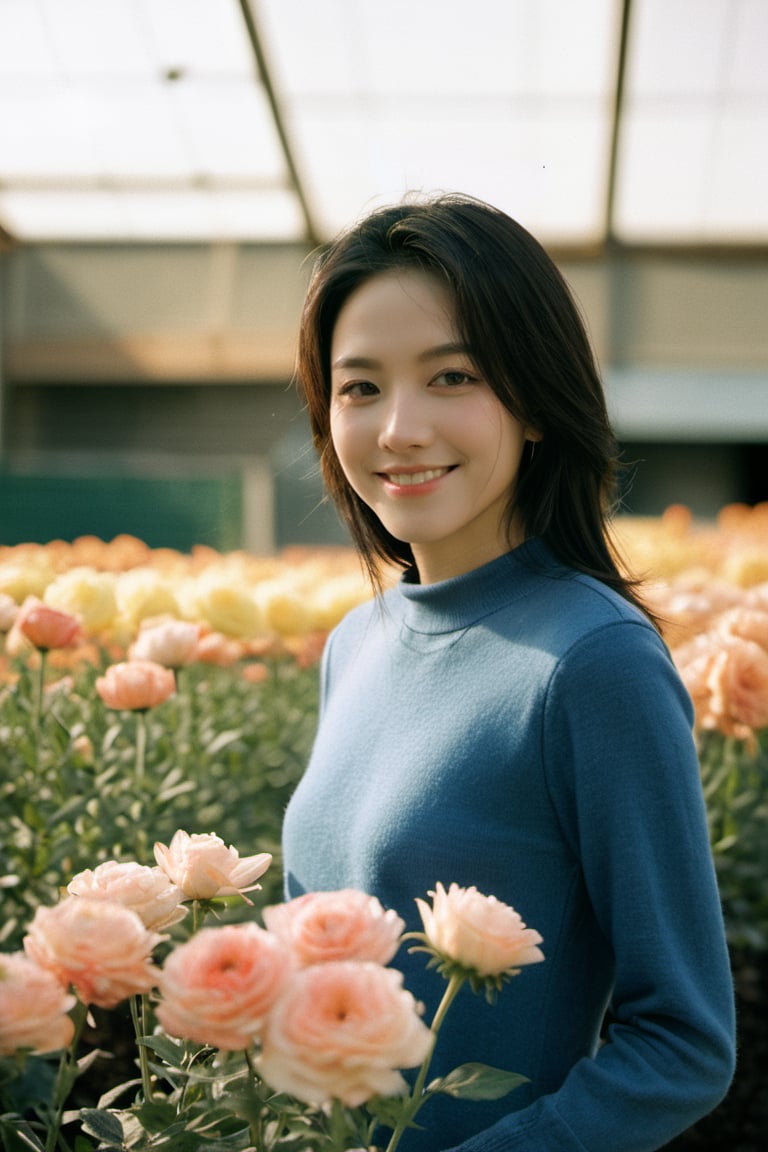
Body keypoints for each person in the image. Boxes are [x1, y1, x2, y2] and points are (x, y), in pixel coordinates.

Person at [281, 193, 736, 1152]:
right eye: (360, 387)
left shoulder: (594, 658)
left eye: (452, 377)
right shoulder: (354, 643)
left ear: (533, 400)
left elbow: (685, 1042)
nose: (398, 427)